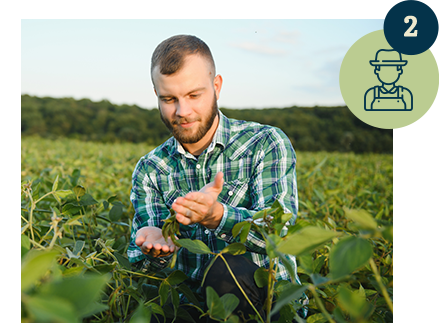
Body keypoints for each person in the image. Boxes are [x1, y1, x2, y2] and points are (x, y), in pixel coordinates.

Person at [127, 34, 307, 321]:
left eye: (194, 95)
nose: (182, 112)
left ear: (216, 86)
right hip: (191, 310)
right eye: (169, 99)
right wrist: (155, 251)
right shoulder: (151, 168)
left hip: (268, 307)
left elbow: (281, 236)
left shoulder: (265, 143)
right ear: (156, 95)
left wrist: (218, 216)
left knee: (228, 271)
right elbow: (141, 270)